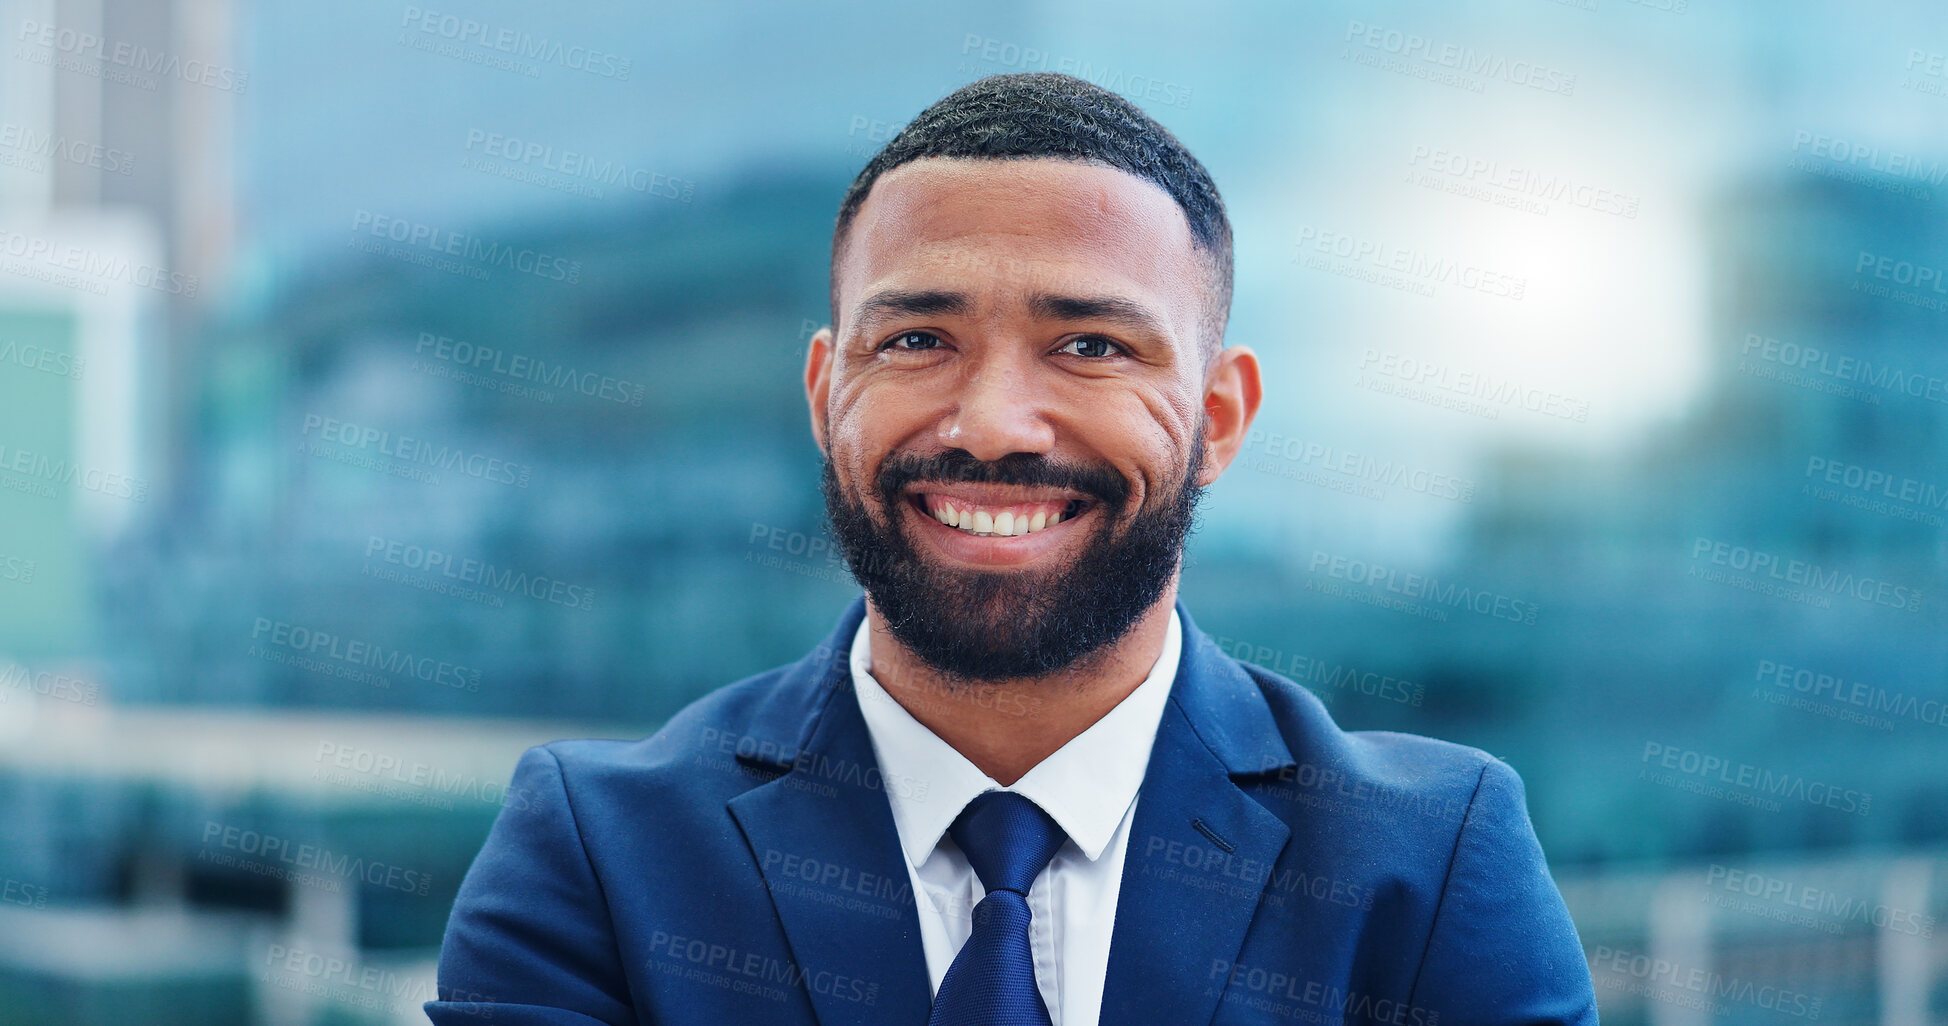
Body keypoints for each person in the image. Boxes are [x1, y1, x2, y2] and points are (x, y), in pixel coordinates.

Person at [427, 72, 1598, 1026]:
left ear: (1219, 422)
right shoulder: (597, 859)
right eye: (921, 337)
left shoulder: (1428, 866)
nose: (990, 423)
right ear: (825, 391)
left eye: (1090, 346)